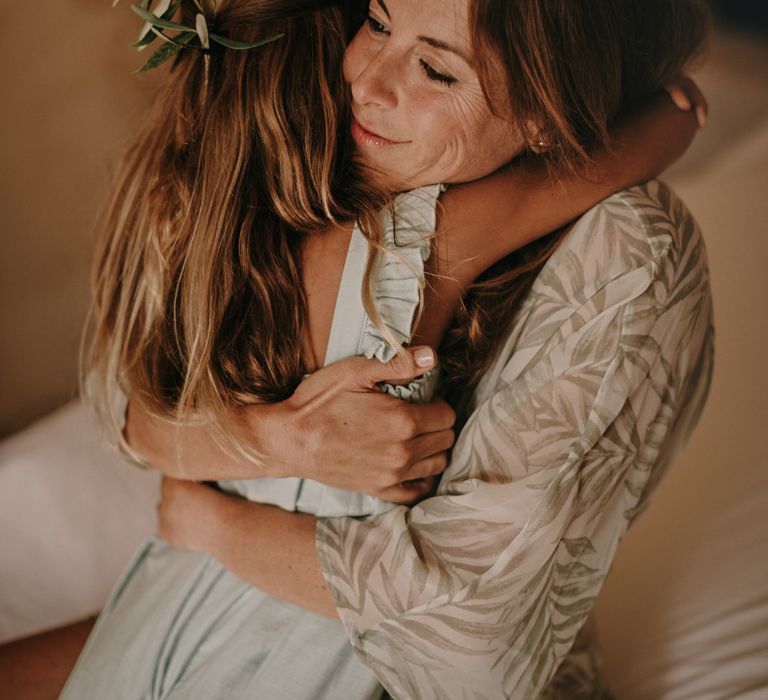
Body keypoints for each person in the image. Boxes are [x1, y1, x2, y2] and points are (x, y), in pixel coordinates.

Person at [0, 0, 711, 698]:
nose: (364, 81)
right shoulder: (312, 153)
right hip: (205, 612)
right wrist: (280, 441)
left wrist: (213, 523)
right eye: (376, 21)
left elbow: (472, 647)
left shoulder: (600, 254)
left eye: (436, 70)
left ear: (545, 115)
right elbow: (134, 412)